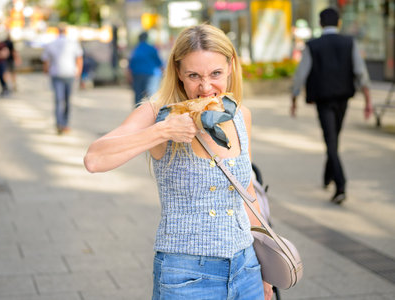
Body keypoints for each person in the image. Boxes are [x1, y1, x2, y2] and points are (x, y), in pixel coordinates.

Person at [84, 24, 273, 300]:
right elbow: (94, 159)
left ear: (231, 66)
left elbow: (249, 194)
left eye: (216, 73)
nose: (206, 87)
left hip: (247, 269)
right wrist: (161, 131)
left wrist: (265, 269)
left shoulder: (240, 114)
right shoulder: (158, 113)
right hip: (187, 277)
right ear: (178, 73)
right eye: (193, 75)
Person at [291, 7, 373, 204]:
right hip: (344, 99)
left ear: (320, 23)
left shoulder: (313, 45)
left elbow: (301, 74)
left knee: (331, 140)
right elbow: (360, 72)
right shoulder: (349, 43)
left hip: (323, 101)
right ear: (339, 23)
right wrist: (368, 101)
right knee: (333, 139)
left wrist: (293, 98)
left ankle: (338, 184)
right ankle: (337, 182)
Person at [41, 24, 83, 135]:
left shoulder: (51, 44)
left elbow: (45, 61)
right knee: (67, 100)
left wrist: (46, 71)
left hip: (56, 74)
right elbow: (79, 58)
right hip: (69, 74)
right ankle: (65, 124)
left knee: (59, 100)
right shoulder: (73, 43)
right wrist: (78, 72)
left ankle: (59, 123)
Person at [128, 31, 163, 106]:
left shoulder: (135, 49)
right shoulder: (151, 48)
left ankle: (137, 111)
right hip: (149, 74)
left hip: (136, 74)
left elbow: (130, 64)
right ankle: (149, 112)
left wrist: (129, 76)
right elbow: (159, 62)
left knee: (138, 95)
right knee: (150, 95)